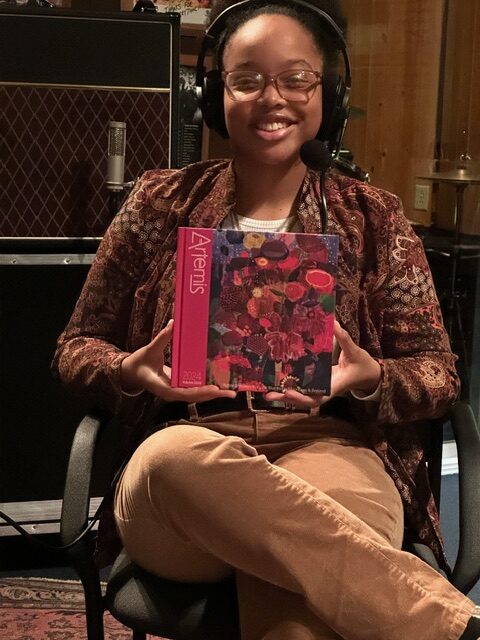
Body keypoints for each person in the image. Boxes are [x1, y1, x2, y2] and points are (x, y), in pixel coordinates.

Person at [52, 1, 480, 638]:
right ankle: (449, 625)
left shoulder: (373, 217)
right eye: (247, 79)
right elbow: (74, 348)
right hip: (188, 463)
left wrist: (368, 378)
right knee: (176, 463)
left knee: (300, 573)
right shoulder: (159, 203)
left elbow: (439, 375)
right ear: (213, 94)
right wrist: (129, 371)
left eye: (297, 78)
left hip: (331, 447)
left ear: (328, 94)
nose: (272, 98)